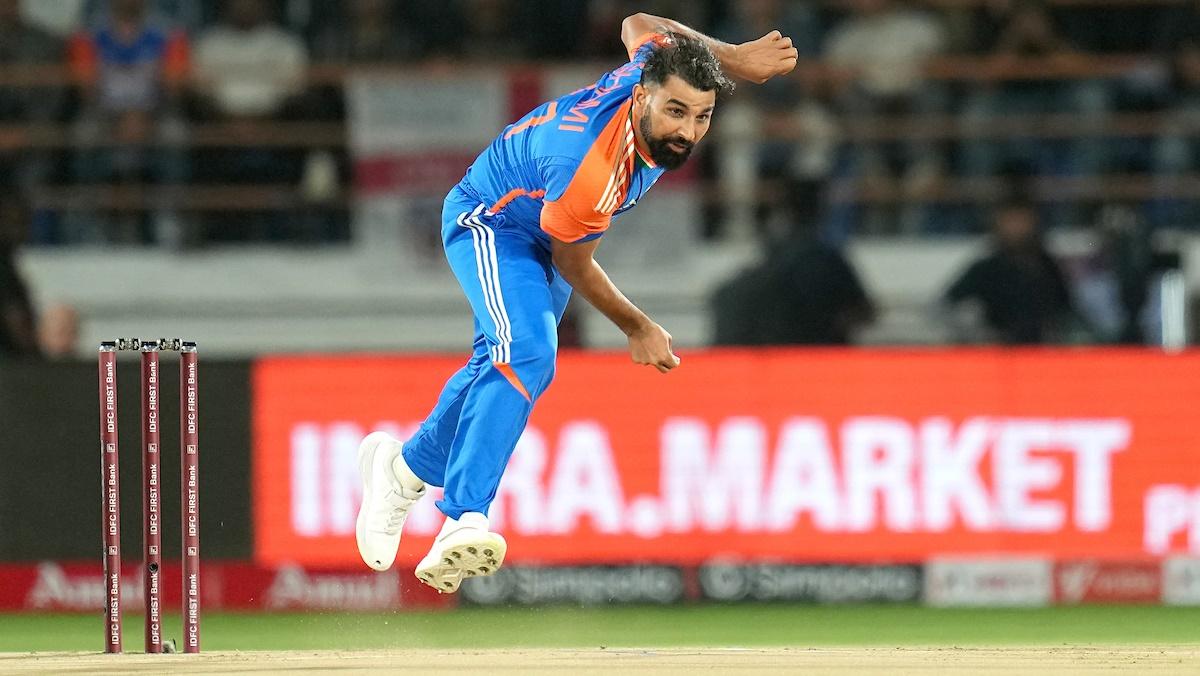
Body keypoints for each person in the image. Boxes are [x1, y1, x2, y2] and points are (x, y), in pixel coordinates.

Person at [353, 13, 797, 593]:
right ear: (642, 96)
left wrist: (730, 59)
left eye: (703, 115)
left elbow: (639, 21)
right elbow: (572, 262)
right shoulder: (588, 165)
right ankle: (464, 516)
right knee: (529, 353)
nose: (688, 132)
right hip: (491, 221)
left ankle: (404, 471)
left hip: (546, 225)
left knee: (503, 359)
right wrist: (637, 326)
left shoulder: (652, 64)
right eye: (675, 111)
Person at [942, 183, 1075, 344]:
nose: (1016, 227)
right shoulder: (986, 269)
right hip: (997, 352)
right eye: (1010, 221)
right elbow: (947, 304)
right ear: (998, 223)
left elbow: (1067, 310)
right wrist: (978, 334)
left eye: (1022, 220)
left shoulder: (1047, 265)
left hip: (1041, 352)